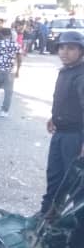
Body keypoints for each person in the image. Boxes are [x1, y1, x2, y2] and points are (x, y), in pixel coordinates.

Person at [40, 31, 84, 216]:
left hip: (75, 136)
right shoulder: (67, 70)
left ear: (81, 51)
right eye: (62, 47)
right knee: (55, 177)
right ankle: (47, 216)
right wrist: (54, 116)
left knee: (75, 184)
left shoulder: (81, 75)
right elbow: (65, 99)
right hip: (61, 132)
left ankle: (75, 235)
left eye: (71, 48)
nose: (64, 52)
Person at [0, 28, 21, 117]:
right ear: (10, 35)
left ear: (1, 35)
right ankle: (4, 111)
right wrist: (18, 70)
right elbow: (19, 58)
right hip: (10, 71)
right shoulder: (16, 44)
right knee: (8, 92)